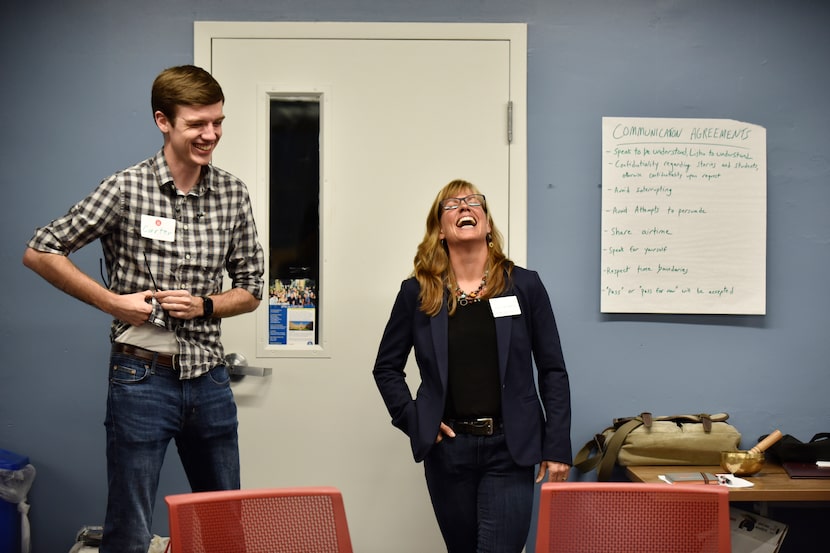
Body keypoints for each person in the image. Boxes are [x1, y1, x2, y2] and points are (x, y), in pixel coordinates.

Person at [22, 65, 265, 553]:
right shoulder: (126, 188)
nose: (211, 134)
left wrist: (205, 304)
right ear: (163, 121)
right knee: (129, 530)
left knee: (225, 527)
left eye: (217, 121)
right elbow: (41, 250)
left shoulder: (233, 193)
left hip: (210, 378)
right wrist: (113, 302)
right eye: (197, 124)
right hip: (141, 377)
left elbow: (253, 289)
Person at [373, 179, 572, 553]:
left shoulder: (524, 286)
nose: (465, 207)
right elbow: (386, 368)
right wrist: (416, 420)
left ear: (487, 222)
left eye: (473, 201)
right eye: (452, 204)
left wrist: (557, 445)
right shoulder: (416, 292)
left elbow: (552, 370)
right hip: (450, 452)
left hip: (510, 449)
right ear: (439, 230)